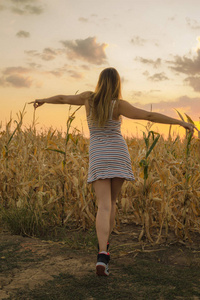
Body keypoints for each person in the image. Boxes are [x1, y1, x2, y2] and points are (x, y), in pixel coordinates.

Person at [30, 67, 197, 276]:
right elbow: (149, 115)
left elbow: (63, 98)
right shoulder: (119, 105)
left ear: (100, 82)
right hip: (118, 154)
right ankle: (105, 250)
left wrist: (44, 99)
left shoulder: (88, 99)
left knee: (104, 206)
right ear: (117, 83)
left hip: (99, 156)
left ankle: (102, 254)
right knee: (112, 203)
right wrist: (180, 122)